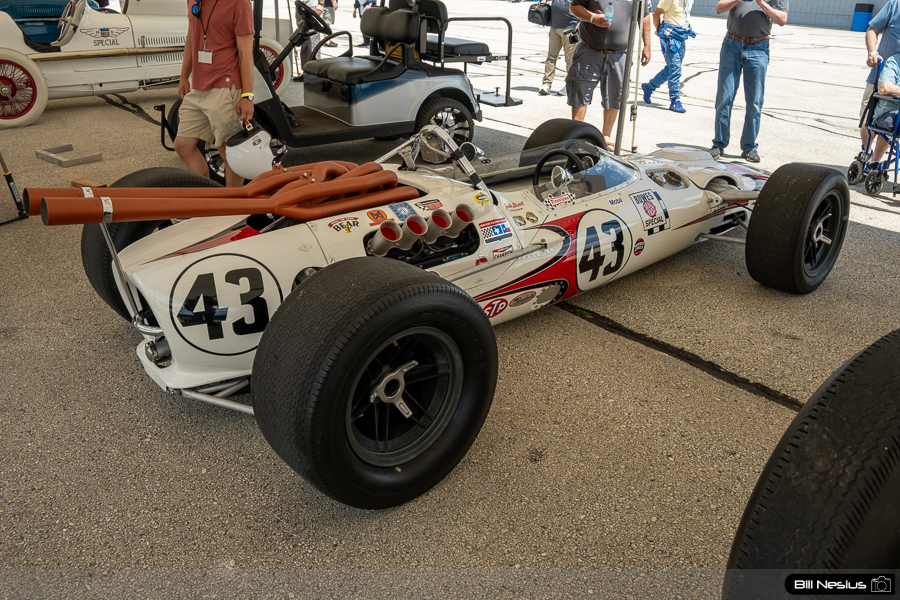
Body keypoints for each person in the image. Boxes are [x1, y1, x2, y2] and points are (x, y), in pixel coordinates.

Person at [174, 0, 255, 188]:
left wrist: (247, 96)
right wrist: (184, 76)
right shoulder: (194, 1)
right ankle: (208, 200)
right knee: (183, 145)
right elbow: (191, 37)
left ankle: (234, 207)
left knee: (228, 151)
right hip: (199, 86)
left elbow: (246, 53)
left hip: (225, 86)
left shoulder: (239, 3)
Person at [709, 0, 788, 164]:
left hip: (758, 47)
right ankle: (719, 143)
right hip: (732, 45)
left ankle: (749, 147)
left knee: (754, 102)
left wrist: (761, 3)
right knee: (725, 97)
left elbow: (782, 19)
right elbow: (719, 8)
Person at [566, 0, 652, 150]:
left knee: (616, 95)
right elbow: (574, 7)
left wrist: (647, 45)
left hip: (620, 54)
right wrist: (593, 18)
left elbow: (644, 16)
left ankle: (606, 136)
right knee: (580, 91)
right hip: (589, 50)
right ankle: (577, 133)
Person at [641, 0, 695, 113]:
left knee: (671, 68)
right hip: (670, 36)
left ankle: (649, 87)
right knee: (675, 69)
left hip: (681, 35)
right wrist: (659, 29)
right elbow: (656, 14)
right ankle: (675, 100)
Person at [861, 0, 900, 152]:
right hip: (881, 74)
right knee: (867, 118)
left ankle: (875, 161)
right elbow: (872, 29)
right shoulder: (895, 5)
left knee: (891, 123)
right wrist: (872, 53)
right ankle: (866, 152)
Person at [538, 0, 579, 96]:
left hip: (571, 30)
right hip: (554, 28)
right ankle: (546, 84)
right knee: (551, 57)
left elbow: (586, 7)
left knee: (570, 60)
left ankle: (570, 86)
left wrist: (579, 25)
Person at [867, 52, 900, 164]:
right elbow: (884, 88)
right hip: (889, 114)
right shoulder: (894, 61)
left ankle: (874, 162)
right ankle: (873, 161)